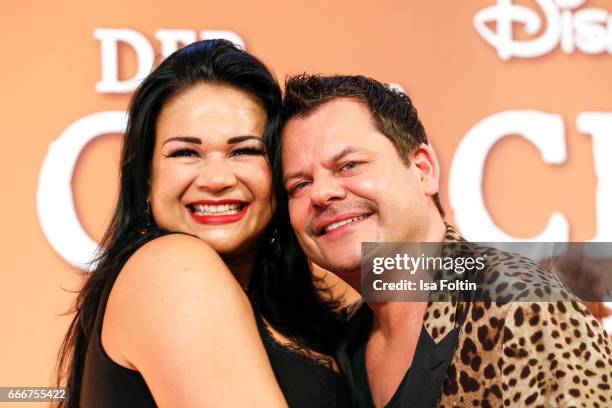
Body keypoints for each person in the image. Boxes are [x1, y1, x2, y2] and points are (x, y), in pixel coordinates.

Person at [269, 74, 612, 408]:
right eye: (299, 185)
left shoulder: (518, 305)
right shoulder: (341, 342)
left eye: (349, 165)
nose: (322, 192)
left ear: (423, 169)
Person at [56, 41, 352, 407]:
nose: (215, 179)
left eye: (244, 150)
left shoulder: (292, 310)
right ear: (147, 178)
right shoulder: (171, 267)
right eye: (185, 153)